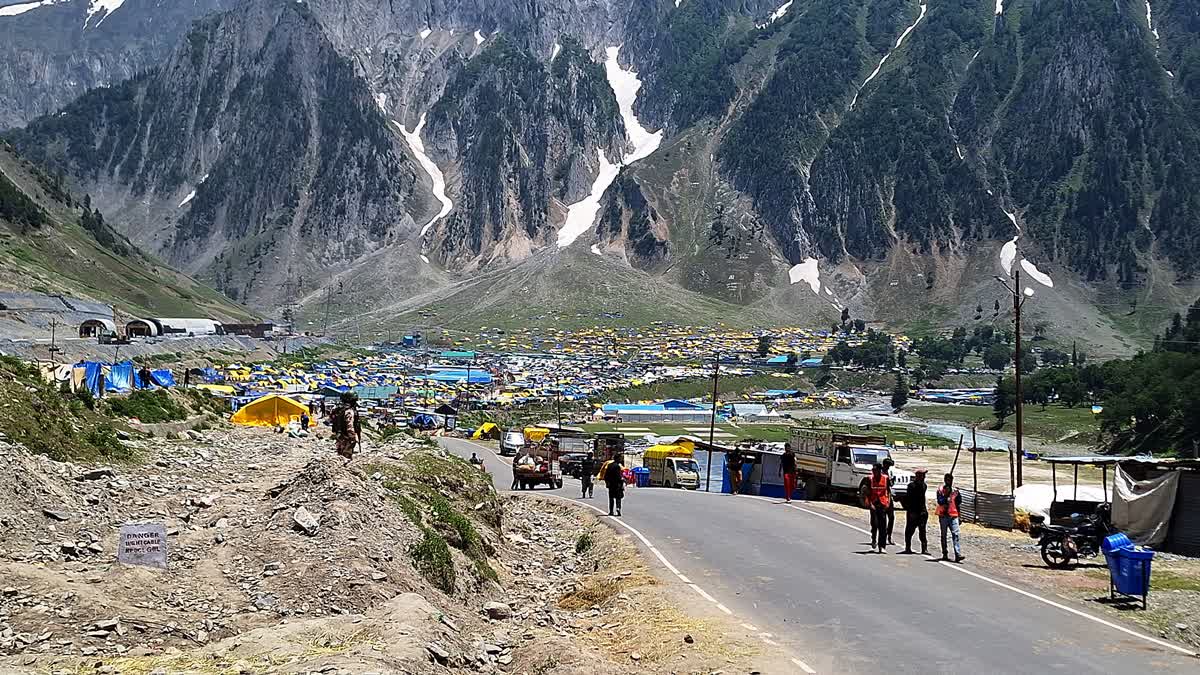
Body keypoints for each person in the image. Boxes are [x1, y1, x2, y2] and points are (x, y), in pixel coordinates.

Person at [937, 472, 964, 562]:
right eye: (947, 480)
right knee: (943, 535)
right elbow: (940, 501)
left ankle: (958, 554)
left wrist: (959, 516)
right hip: (943, 515)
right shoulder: (941, 490)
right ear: (945, 480)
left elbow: (958, 503)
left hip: (953, 515)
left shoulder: (955, 491)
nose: (949, 481)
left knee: (955, 534)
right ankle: (945, 553)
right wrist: (946, 496)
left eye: (950, 480)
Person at [866, 462, 891, 553]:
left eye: (876, 470)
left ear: (880, 470)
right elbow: (867, 492)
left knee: (883, 526)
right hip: (874, 503)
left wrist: (888, 502)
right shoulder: (870, 479)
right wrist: (870, 504)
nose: (874, 472)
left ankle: (882, 546)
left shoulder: (885, 478)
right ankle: (873, 539)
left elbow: (888, 491)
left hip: (883, 503)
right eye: (873, 470)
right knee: (874, 523)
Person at [903, 468, 929, 555]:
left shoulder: (924, 485)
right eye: (922, 475)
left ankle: (924, 548)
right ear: (918, 476)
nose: (924, 477)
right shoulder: (911, 486)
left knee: (922, 530)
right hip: (913, 511)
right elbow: (909, 499)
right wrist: (910, 512)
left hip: (922, 511)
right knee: (909, 531)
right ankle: (908, 547)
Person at [330, 392, 361, 460]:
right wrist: (353, 438)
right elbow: (350, 426)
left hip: (340, 437)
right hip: (346, 438)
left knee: (340, 456)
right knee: (346, 458)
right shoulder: (349, 411)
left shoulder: (340, 410)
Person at [882, 457, 897, 546]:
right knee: (882, 519)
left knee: (891, 517)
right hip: (882, 498)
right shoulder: (881, 474)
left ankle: (889, 536)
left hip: (888, 497)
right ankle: (883, 536)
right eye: (887, 465)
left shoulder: (888, 472)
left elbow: (890, 485)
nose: (888, 467)